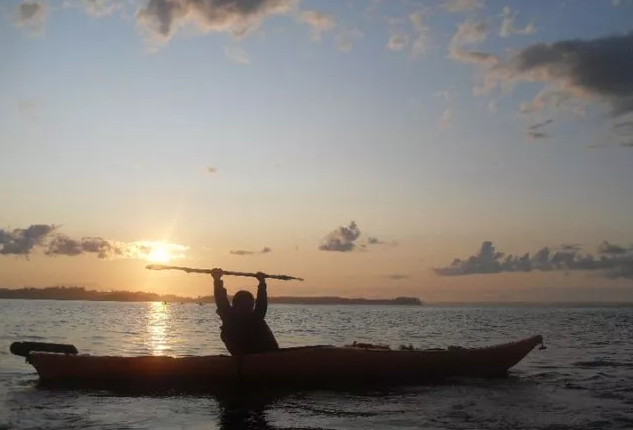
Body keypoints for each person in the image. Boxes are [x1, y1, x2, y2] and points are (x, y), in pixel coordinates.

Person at [211, 268, 280, 356]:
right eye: (243, 305)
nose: (247, 309)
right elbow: (221, 300)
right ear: (235, 306)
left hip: (266, 355)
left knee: (258, 322)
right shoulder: (229, 317)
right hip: (244, 356)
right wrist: (217, 280)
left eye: (249, 306)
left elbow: (261, 304)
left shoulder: (255, 319)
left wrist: (262, 283)